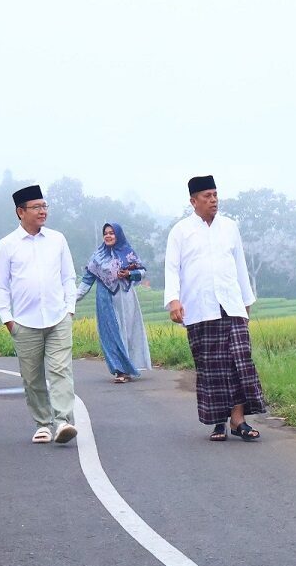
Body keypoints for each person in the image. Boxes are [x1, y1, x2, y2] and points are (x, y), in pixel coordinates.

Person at [164, 175, 266, 442]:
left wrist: (246, 303)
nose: (213, 200)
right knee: (211, 367)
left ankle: (239, 420)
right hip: (199, 308)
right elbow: (172, 268)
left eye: (215, 195)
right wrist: (173, 300)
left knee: (240, 362)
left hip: (231, 306)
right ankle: (219, 422)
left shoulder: (230, 227)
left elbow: (240, 266)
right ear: (193, 201)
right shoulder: (181, 231)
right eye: (207, 196)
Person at [0, 185, 79, 444]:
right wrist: (8, 319)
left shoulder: (57, 239)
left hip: (58, 317)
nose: (43, 211)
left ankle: (63, 421)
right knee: (32, 376)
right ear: (20, 211)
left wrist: (69, 309)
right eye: (36, 207)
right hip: (24, 321)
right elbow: (1, 285)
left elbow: (68, 277)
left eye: (45, 206)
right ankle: (43, 423)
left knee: (61, 370)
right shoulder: (7, 245)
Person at [76, 222, 152, 383]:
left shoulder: (127, 252)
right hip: (105, 300)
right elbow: (87, 281)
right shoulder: (97, 257)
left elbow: (142, 272)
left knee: (128, 332)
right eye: (106, 233)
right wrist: (71, 300)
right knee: (111, 334)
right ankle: (120, 370)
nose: (108, 236)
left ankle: (129, 367)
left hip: (126, 298)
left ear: (118, 235)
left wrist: (129, 273)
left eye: (112, 233)